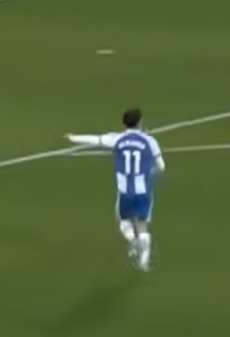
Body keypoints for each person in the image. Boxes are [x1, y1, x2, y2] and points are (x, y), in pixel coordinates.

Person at [66, 108, 165, 271]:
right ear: (140, 122)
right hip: (144, 190)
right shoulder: (150, 141)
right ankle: (144, 259)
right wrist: (149, 172)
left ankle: (133, 242)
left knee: (124, 222)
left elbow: (96, 140)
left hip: (125, 191)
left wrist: (74, 138)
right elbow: (161, 167)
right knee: (142, 225)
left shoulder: (117, 139)